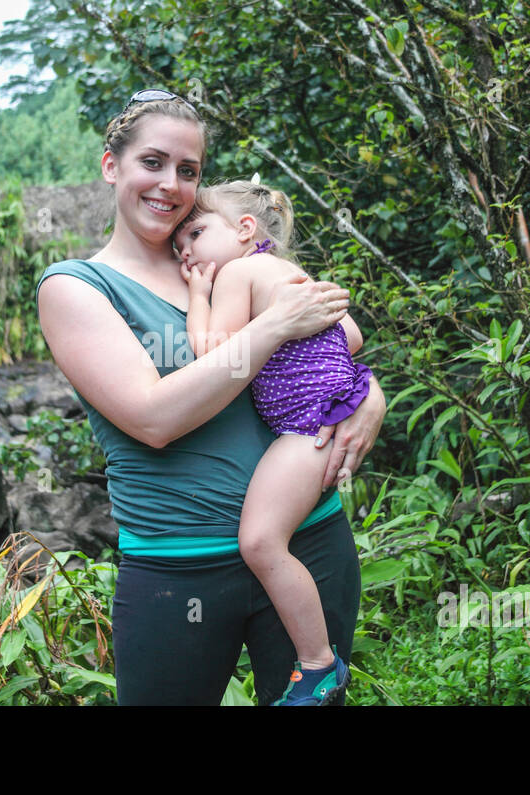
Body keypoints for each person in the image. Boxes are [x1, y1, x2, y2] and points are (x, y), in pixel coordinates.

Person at [35, 88, 386, 705]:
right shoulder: (76, 287)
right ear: (111, 165)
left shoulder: (223, 257)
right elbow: (153, 418)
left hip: (308, 540)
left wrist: (369, 398)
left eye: (188, 171)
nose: (170, 184)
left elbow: (333, 340)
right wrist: (274, 325)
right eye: (152, 162)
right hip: (179, 565)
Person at [173, 180, 373, 704]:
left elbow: (213, 353)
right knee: (266, 540)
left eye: (195, 232)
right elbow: (351, 336)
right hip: (329, 412)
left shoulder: (238, 273)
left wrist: (198, 296)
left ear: (244, 230)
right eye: (179, 246)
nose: (186, 249)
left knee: (260, 542)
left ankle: (317, 664)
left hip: (307, 426)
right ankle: (317, 662)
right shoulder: (291, 272)